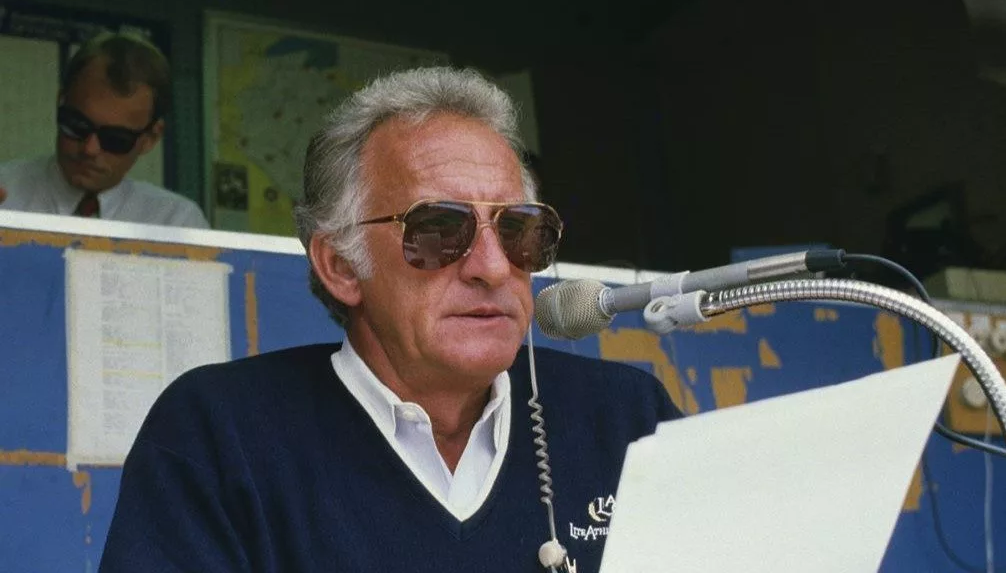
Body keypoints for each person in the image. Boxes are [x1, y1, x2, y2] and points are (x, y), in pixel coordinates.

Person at [99, 67, 679, 572]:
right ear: (341, 266)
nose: (493, 267)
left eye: (517, 230)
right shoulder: (220, 435)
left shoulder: (627, 419)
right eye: (439, 229)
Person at [0, 32, 208, 228]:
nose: (90, 149)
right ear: (60, 102)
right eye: (77, 125)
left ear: (151, 138)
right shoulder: (5, 192)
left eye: (115, 139)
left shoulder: (176, 224)